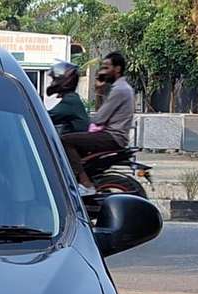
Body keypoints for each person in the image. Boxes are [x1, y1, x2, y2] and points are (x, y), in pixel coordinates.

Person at [60, 52, 134, 195]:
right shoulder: (122, 88)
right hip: (115, 136)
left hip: (112, 137)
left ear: (117, 69)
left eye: (106, 67)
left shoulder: (119, 90)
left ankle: (86, 184)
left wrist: (99, 91)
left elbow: (100, 119)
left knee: (66, 140)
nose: (103, 71)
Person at [46, 61, 89, 135]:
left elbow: (46, 118)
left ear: (64, 81)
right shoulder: (72, 98)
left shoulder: (70, 101)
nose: (51, 83)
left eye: (54, 80)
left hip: (76, 141)